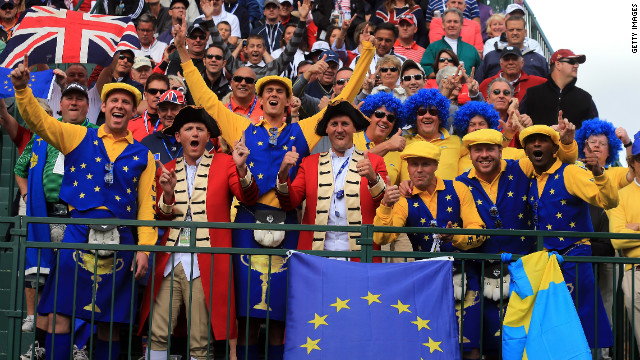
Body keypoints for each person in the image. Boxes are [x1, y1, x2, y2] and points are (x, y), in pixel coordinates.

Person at [174, 11, 374, 359]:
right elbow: (206, 99)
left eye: (279, 91)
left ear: (288, 100)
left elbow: (344, 99)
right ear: (260, 99)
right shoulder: (239, 127)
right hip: (248, 221)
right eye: (267, 91)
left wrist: (367, 53)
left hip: (289, 222)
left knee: (281, 310)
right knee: (248, 309)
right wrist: (184, 56)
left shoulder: (305, 129)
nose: (273, 95)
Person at [12, 56, 156, 360]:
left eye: (126, 102)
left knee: (110, 324)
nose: (119, 106)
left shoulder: (144, 155)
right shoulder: (78, 135)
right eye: (113, 100)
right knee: (61, 314)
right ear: (102, 107)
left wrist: (144, 248)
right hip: (76, 233)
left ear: (133, 110)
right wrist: (23, 90)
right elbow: (41, 122)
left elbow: (146, 206)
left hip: (122, 241)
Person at [139, 106, 259, 360]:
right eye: (188, 129)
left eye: (200, 129)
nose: (194, 133)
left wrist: (241, 169)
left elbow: (248, 197)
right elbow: (162, 216)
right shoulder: (167, 167)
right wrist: (169, 194)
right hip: (172, 258)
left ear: (207, 137)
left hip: (208, 260)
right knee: (158, 331)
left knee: (200, 339)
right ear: (179, 137)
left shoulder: (227, 162)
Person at [373, 140, 485, 356]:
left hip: (463, 275)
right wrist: (385, 206)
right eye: (413, 164)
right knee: (431, 343)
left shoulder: (458, 189)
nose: (419, 170)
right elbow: (381, 236)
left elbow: (479, 232)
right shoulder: (403, 200)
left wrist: (456, 237)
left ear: (436, 165)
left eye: (425, 164)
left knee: (469, 344)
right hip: (426, 281)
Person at [14, 83, 99, 360]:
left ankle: (78, 345)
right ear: (60, 104)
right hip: (45, 216)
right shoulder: (42, 135)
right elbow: (20, 168)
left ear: (88, 106)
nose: (74, 103)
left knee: (80, 281)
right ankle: (39, 344)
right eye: (69, 99)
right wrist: (27, 193)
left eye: (80, 99)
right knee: (43, 281)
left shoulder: (97, 137)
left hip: (79, 219)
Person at [520, 124, 617, 350]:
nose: (536, 144)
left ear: (555, 148)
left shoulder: (571, 172)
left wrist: (599, 173)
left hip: (574, 259)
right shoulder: (530, 178)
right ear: (525, 151)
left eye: (542, 140)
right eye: (531, 141)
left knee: (580, 324)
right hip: (544, 263)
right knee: (551, 326)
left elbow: (609, 202)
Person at [276, 100, 387, 258]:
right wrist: (283, 174)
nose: (339, 129)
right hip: (317, 256)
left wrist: (373, 179)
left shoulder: (375, 162)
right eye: (334, 124)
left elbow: (384, 206)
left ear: (354, 128)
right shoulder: (309, 163)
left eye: (345, 124)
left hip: (360, 257)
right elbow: (289, 202)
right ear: (327, 129)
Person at [387, 88, 460, 183]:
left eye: (433, 112)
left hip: (448, 197)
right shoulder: (401, 142)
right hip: (410, 197)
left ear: (441, 117)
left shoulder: (457, 142)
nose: (427, 116)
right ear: (414, 117)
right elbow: (389, 174)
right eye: (422, 112)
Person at [610, 131, 640, 354]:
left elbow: (625, 233)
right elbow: (617, 239)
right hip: (635, 271)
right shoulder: (621, 195)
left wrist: (636, 227)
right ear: (633, 162)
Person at [520, 49, 597, 129]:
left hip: (573, 142)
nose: (576, 66)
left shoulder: (585, 98)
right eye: (571, 62)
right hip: (536, 141)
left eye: (577, 63)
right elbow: (517, 123)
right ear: (558, 64)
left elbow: (595, 131)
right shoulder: (532, 94)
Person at [475, 16, 548, 82]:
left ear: (525, 32)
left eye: (519, 30)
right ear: (506, 32)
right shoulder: (491, 57)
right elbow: (478, 85)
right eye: (511, 30)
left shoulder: (539, 59)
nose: (515, 33)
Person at [420, 8, 481, 79]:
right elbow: (424, 69)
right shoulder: (433, 47)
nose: (452, 25)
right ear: (443, 25)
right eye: (449, 21)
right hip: (440, 88)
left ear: (461, 25)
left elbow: (479, 73)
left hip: (466, 88)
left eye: (455, 22)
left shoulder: (471, 49)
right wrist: (445, 75)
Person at [478, 45, 547, 102]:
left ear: (522, 63)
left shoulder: (537, 83)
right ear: (501, 64)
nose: (510, 62)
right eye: (506, 59)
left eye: (514, 59)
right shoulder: (487, 84)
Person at [127, 73, 170, 141]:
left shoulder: (173, 125)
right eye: (153, 91)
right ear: (145, 95)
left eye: (162, 92)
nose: (158, 95)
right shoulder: (130, 125)